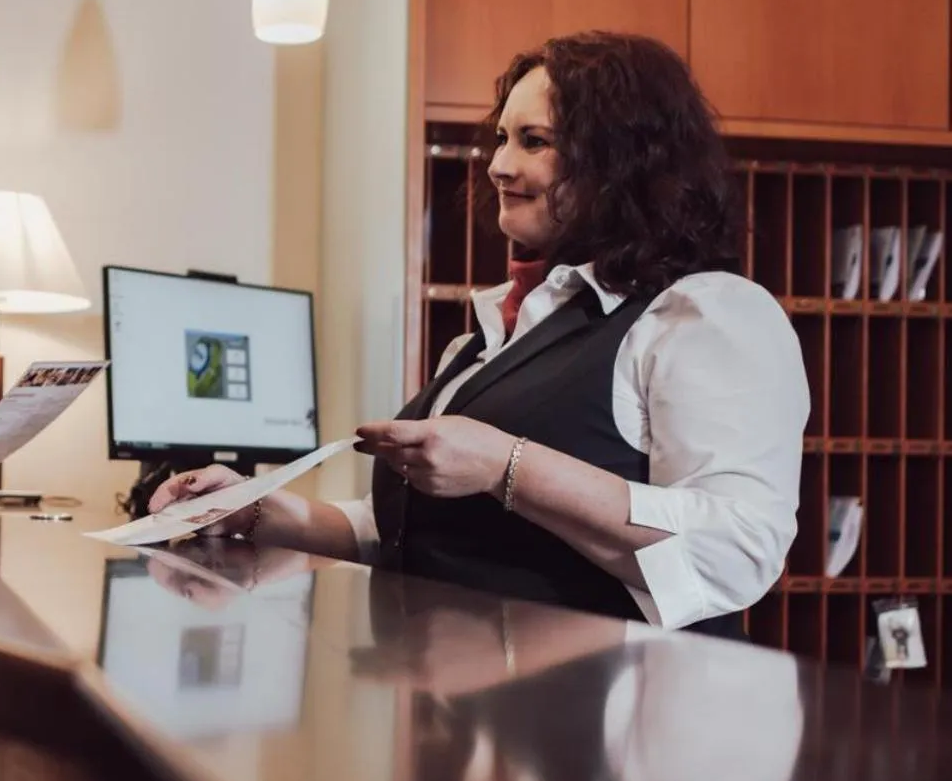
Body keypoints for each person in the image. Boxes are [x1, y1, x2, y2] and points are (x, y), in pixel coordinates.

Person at [153, 31, 809, 636]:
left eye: (534, 141)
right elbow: (408, 532)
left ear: (621, 162)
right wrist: (258, 510)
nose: (497, 164)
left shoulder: (706, 316)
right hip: (457, 728)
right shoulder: (482, 341)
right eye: (500, 138)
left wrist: (505, 466)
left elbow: (738, 550)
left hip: (600, 739)